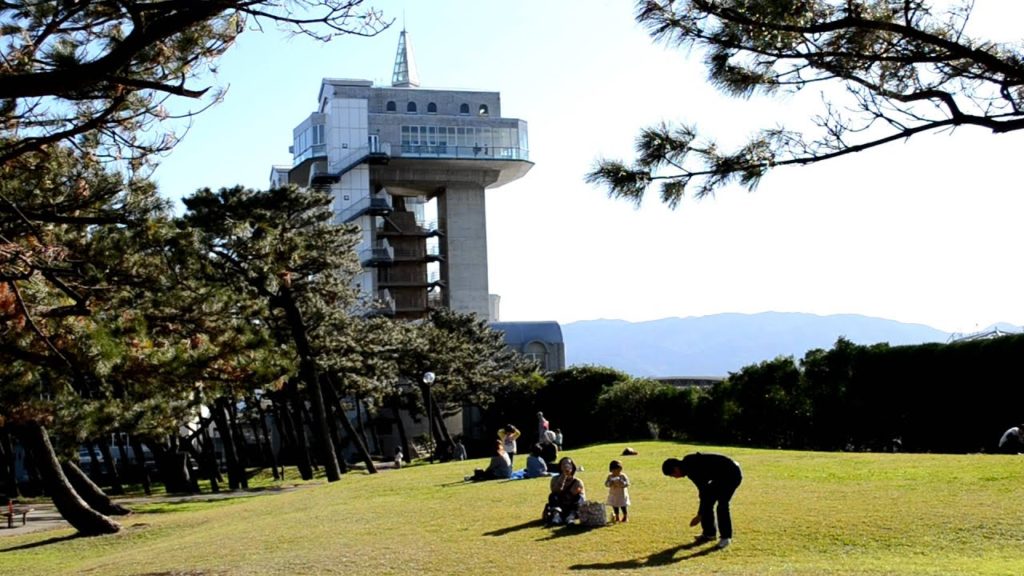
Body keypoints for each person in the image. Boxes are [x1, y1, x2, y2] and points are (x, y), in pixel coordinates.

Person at [662, 453, 742, 549]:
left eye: (672, 475)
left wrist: (699, 515)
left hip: (732, 474)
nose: (675, 477)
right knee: (708, 501)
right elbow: (704, 494)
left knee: (722, 505)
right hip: (719, 476)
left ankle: (726, 538)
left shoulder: (692, 468)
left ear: (676, 469)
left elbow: (704, 492)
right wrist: (700, 513)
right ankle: (709, 534)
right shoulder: (688, 466)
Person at [546, 456, 585, 525]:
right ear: (560, 467)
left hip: (572, 506)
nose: (566, 466)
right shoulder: (555, 479)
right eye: (563, 464)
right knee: (553, 496)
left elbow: (575, 495)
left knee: (579, 497)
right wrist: (563, 477)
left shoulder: (577, 481)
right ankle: (556, 516)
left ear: (573, 467)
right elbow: (556, 491)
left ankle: (570, 517)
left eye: (569, 464)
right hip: (559, 505)